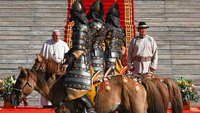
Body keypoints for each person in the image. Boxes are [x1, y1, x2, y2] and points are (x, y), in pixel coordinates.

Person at [62, 0, 96, 112]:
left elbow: (79, 49)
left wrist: (68, 62)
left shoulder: (80, 27)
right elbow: (76, 46)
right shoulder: (83, 26)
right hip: (82, 60)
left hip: (80, 63)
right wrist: (67, 54)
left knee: (74, 86)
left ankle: (90, 109)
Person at [40, 30, 69, 106]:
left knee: (59, 86)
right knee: (46, 86)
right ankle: (46, 104)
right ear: (52, 36)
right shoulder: (46, 44)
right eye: (55, 35)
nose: (56, 37)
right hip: (48, 69)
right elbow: (42, 56)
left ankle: (59, 103)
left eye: (58, 36)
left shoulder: (64, 44)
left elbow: (68, 57)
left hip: (60, 69)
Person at [87, 0, 107, 78]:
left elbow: (88, 39)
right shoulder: (103, 25)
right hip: (100, 51)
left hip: (91, 51)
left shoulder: (92, 25)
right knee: (99, 76)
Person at [104, 2, 126, 75]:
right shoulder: (121, 30)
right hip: (118, 58)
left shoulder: (106, 28)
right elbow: (123, 48)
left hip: (106, 58)